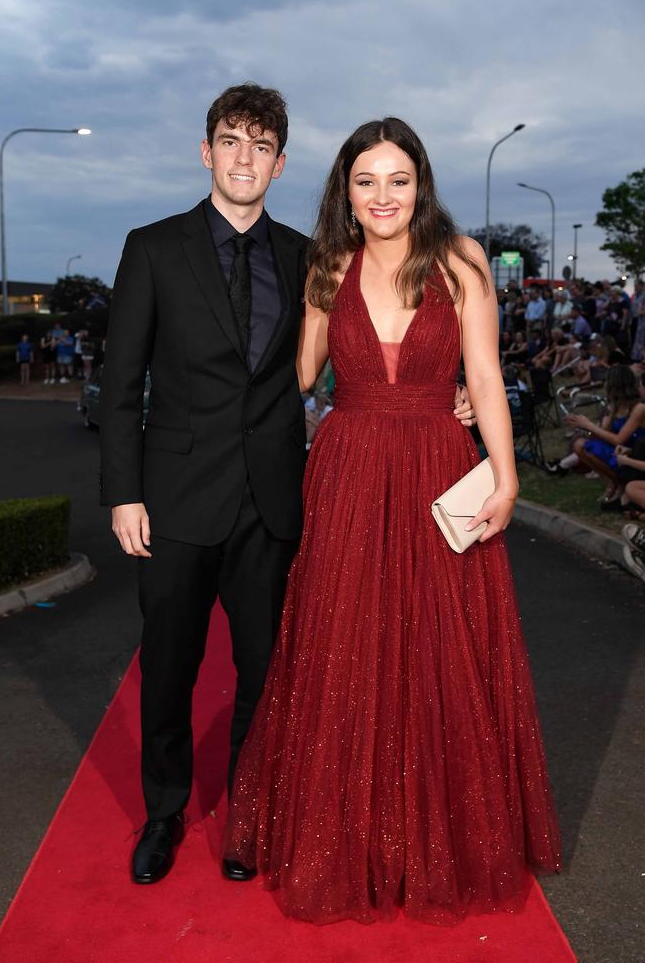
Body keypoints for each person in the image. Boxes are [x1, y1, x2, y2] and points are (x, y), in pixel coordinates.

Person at [99, 86, 477, 888]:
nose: (244, 158)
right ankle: (163, 816)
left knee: (271, 672)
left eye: (261, 146)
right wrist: (122, 493)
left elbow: (341, 354)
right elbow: (121, 376)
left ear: (279, 161)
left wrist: (448, 390)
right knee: (168, 668)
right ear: (207, 152)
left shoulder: (309, 255)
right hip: (172, 499)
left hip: (275, 501)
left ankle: (250, 816)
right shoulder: (153, 248)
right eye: (231, 141)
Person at [224, 117, 561, 925]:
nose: (383, 196)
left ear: (422, 184)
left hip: (439, 467)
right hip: (347, 469)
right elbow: (301, 375)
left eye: (398, 179)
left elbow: (482, 375)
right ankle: (350, 843)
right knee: (345, 650)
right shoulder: (327, 263)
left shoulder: (461, 259)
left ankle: (430, 841)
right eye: (366, 180)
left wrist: (507, 481)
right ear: (346, 188)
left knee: (439, 649)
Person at [564, 364, 645, 506]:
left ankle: (620, 483)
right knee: (580, 445)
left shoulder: (638, 408)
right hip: (619, 448)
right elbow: (598, 435)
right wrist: (584, 427)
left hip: (634, 453)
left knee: (591, 448)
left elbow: (619, 439)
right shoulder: (615, 405)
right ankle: (612, 483)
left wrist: (589, 425)